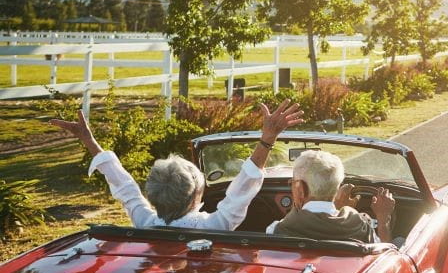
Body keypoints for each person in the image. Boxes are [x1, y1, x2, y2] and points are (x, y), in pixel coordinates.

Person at [50, 100, 303, 230]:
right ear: (196, 195)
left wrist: (90, 141)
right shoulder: (215, 226)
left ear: (153, 195)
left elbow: (125, 187)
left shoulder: (145, 223)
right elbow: (243, 187)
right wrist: (268, 138)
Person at [266, 149, 395, 243]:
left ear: (300, 189)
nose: (291, 186)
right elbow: (384, 255)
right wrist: (383, 220)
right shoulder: (361, 226)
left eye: (292, 182)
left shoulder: (277, 230)